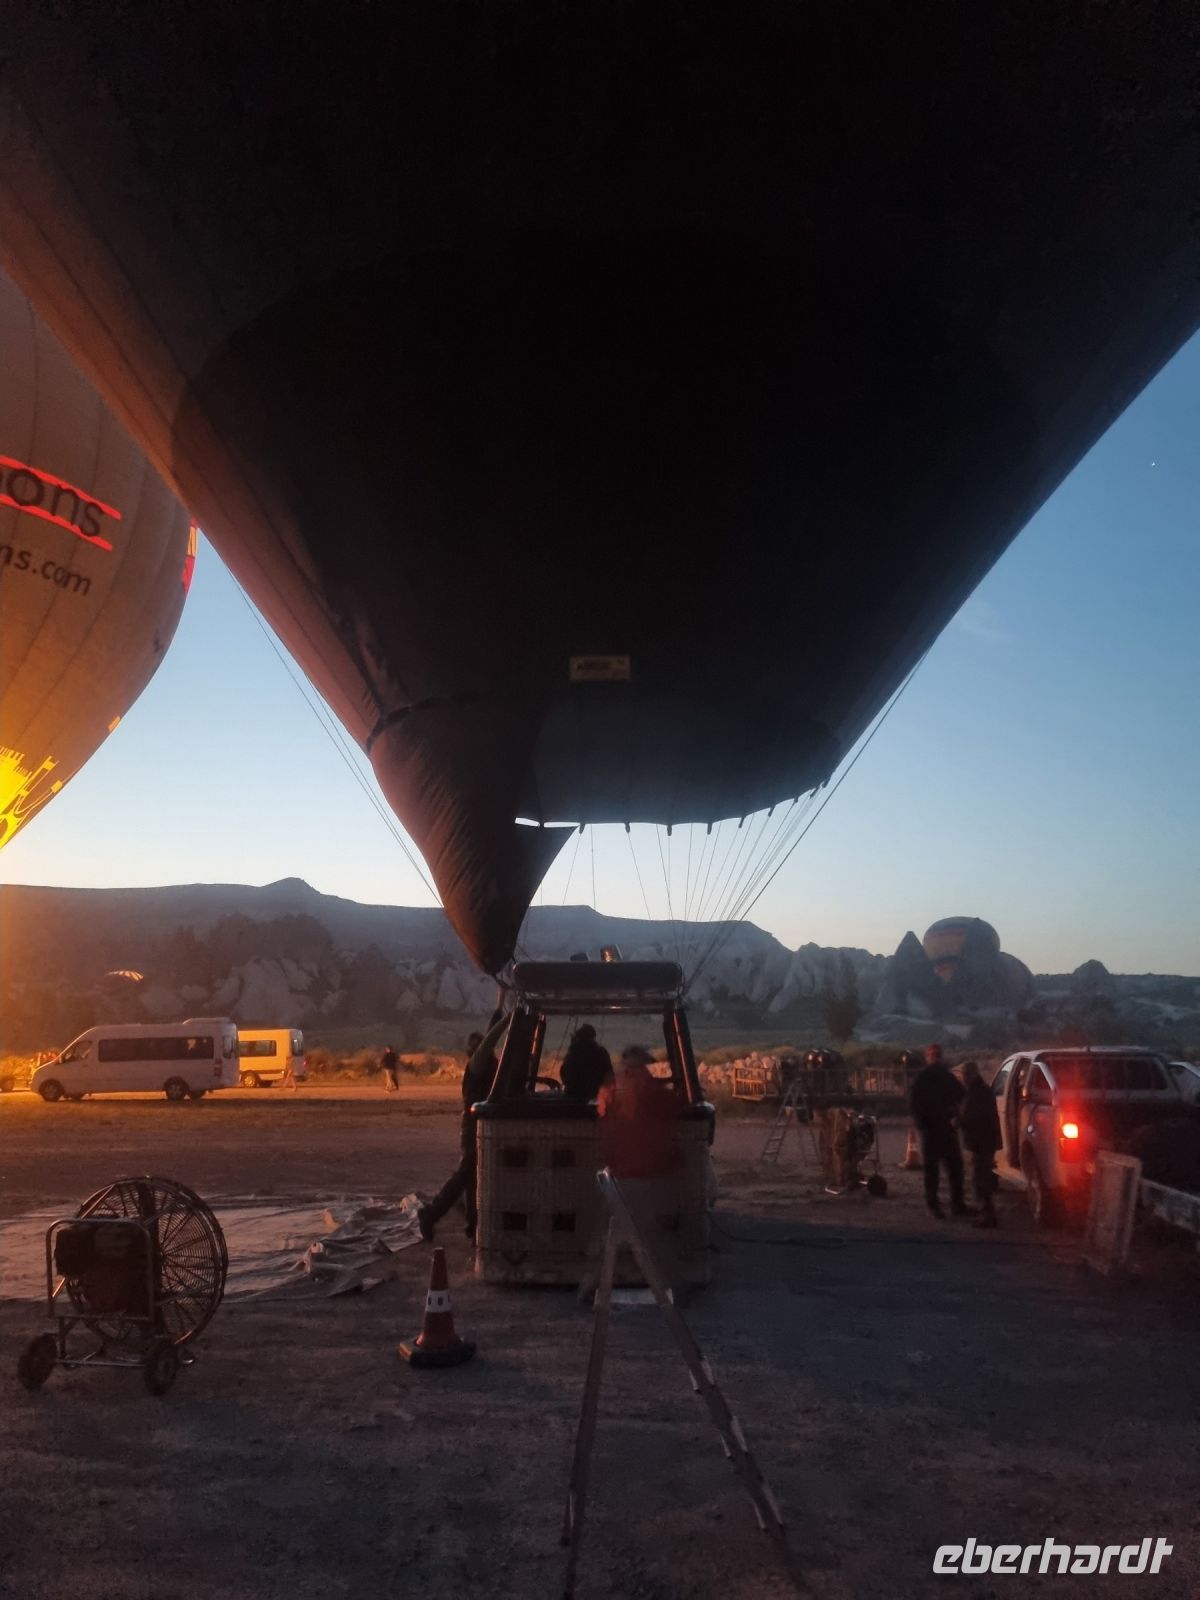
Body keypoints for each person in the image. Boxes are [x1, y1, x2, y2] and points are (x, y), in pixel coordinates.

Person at [418, 1014, 507, 1242]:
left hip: (476, 1125)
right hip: (474, 1127)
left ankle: (474, 1223)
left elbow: (489, 1037)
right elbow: (491, 1040)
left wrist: (500, 1007)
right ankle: (431, 1214)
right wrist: (508, 1020)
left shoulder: (485, 1064)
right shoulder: (478, 1064)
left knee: (472, 1176)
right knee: (466, 1174)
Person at [909, 1042, 968, 1218]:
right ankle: (945, 1206)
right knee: (942, 1171)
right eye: (934, 1055)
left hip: (938, 1130)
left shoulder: (931, 1078)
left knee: (948, 1170)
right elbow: (962, 1095)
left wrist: (957, 1117)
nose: (935, 1058)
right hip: (938, 1130)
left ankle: (948, 1206)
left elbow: (962, 1096)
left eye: (936, 1055)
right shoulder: (936, 1077)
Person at [959, 1060, 1001, 1227]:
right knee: (982, 1178)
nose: (963, 1078)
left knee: (980, 1180)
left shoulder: (977, 1093)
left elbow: (974, 1118)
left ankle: (987, 1216)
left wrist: (959, 1121)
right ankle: (987, 1213)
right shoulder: (982, 1091)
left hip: (980, 1141)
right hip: (985, 1141)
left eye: (964, 1075)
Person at [559, 1024, 612, 1103]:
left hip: (573, 1095)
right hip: (594, 1095)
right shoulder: (601, 1052)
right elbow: (609, 1076)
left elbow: (564, 1073)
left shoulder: (574, 1052)